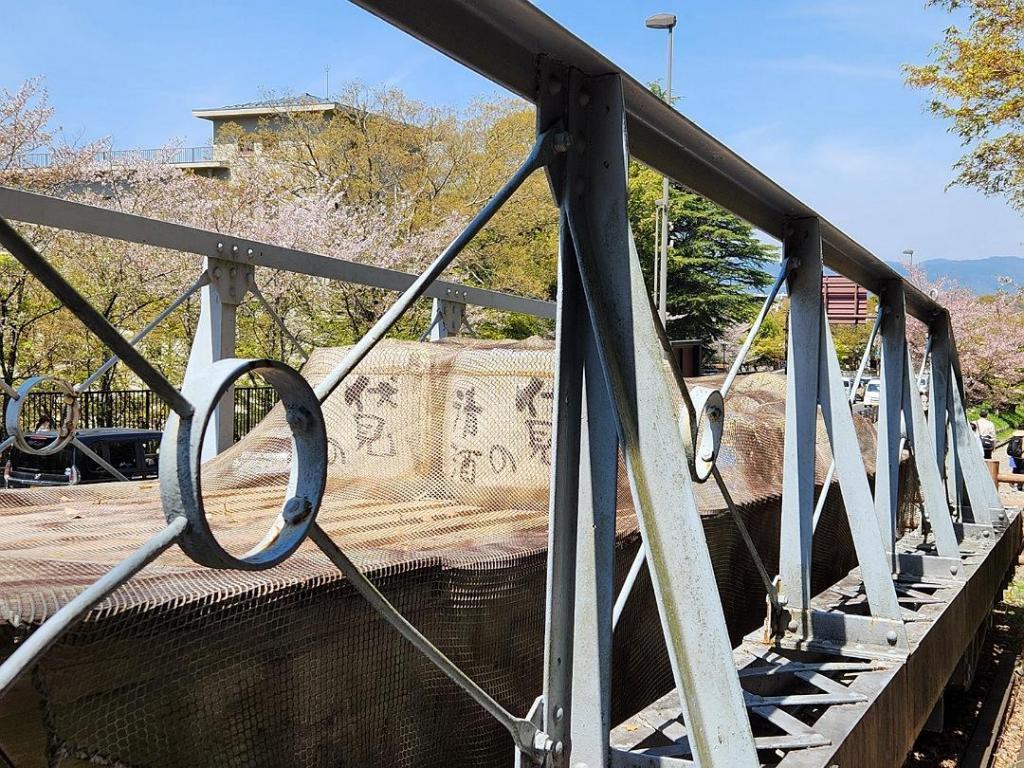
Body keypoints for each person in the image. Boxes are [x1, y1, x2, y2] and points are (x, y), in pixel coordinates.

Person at [1008, 428, 1024, 492]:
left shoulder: (1013, 437)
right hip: (1022, 457)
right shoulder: (1022, 438)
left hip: (1012, 456)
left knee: (1014, 470)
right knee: (1022, 471)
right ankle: (1019, 486)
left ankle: (1012, 483)